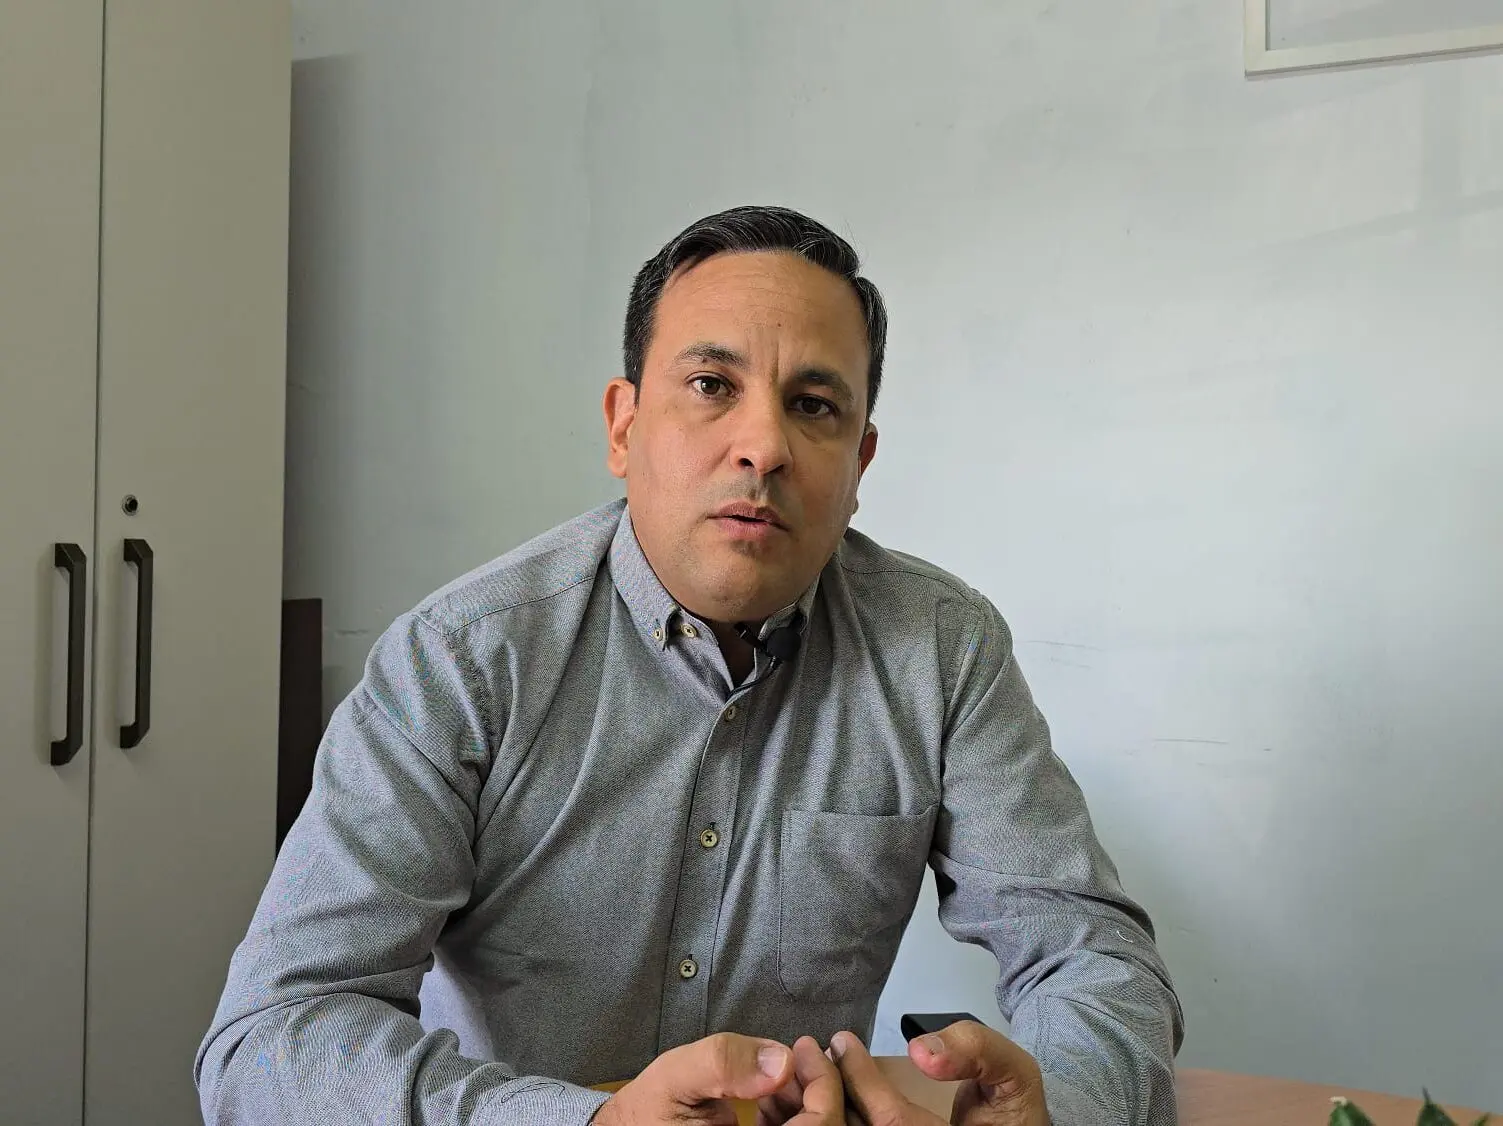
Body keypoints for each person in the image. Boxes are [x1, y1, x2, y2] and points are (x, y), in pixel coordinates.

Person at [196, 205, 1183, 1126]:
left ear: (860, 465)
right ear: (624, 426)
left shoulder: (941, 650)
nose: (763, 445)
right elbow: (269, 1040)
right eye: (712, 386)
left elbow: (1095, 959)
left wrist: (1061, 1110)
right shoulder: (460, 659)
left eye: (814, 406)